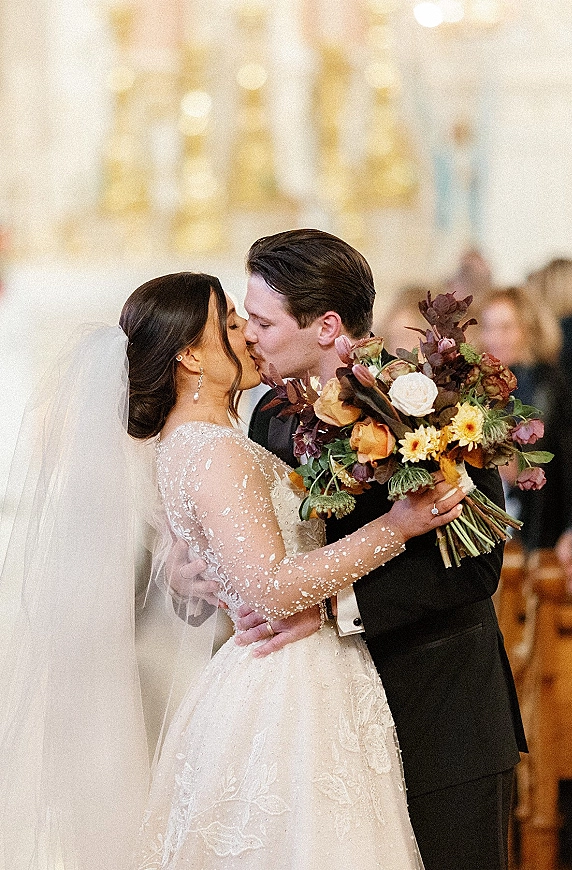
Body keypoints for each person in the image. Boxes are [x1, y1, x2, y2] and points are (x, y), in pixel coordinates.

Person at [0, 271, 464, 870]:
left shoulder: (202, 441)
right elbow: (270, 590)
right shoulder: (212, 449)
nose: (247, 334)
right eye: (231, 323)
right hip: (288, 677)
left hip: (286, 671)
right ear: (191, 356)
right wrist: (396, 527)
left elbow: (223, 565)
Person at [226, 229, 526, 870]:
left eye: (262, 321)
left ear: (327, 325)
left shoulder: (427, 402)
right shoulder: (267, 418)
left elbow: (475, 570)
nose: (249, 335)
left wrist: (332, 608)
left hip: (441, 715)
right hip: (327, 727)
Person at [477, 284, 572, 551]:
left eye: (505, 328)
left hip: (540, 524)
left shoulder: (545, 381)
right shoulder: (486, 382)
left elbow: (528, 466)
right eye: (489, 327)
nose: (494, 338)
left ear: (528, 328)